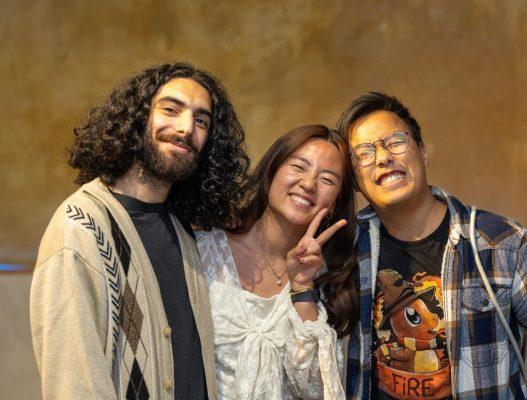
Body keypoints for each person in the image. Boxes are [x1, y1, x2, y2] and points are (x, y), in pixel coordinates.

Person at [336, 92, 527, 399]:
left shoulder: (502, 244)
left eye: (395, 141)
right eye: (363, 153)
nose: (382, 157)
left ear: (422, 152)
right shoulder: (344, 251)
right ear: (355, 181)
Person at [30, 62, 250, 399]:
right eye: (171, 110)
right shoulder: (81, 227)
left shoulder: (182, 231)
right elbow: (73, 384)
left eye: (201, 121)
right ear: (137, 118)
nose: (186, 128)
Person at [195, 124, 356, 399]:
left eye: (327, 180)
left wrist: (303, 288)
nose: (309, 184)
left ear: (335, 203)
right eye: (299, 166)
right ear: (272, 171)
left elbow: (318, 390)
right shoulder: (201, 249)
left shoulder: (333, 282)